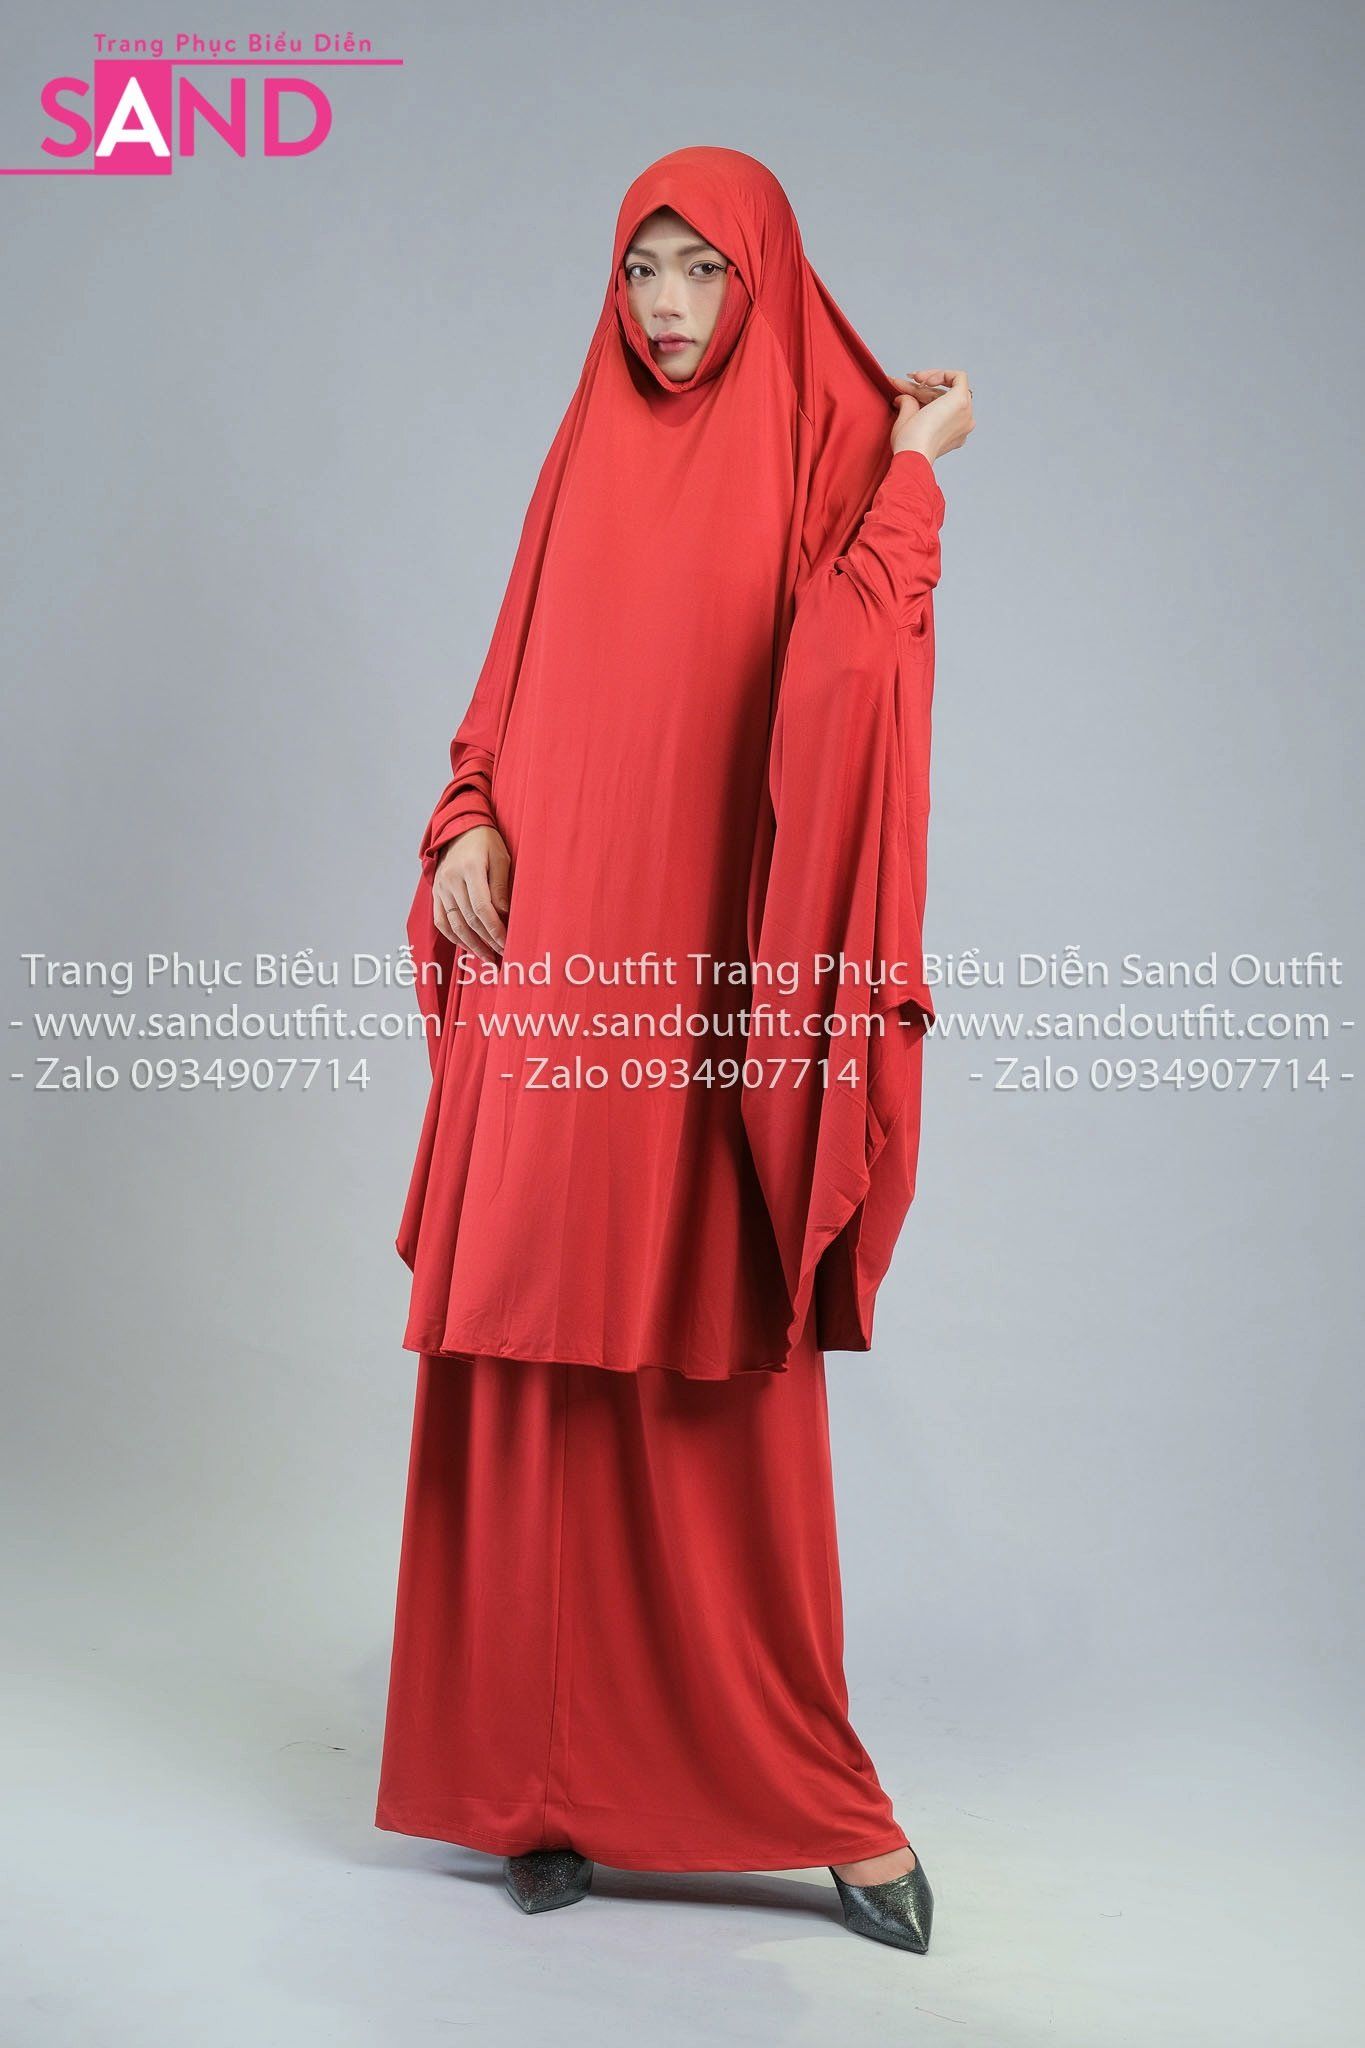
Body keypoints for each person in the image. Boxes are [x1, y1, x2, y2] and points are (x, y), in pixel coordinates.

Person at [374, 145, 973, 1955]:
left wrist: (914, 478)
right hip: (549, 970)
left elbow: (842, 681)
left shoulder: (826, 445)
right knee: (530, 1361)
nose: (666, 305)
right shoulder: (581, 450)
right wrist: (468, 819)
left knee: (709, 1363)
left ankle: (810, 1800)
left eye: (703, 269)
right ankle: (534, 1783)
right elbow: (503, 689)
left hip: (704, 989)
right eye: (641, 268)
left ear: (763, 278)